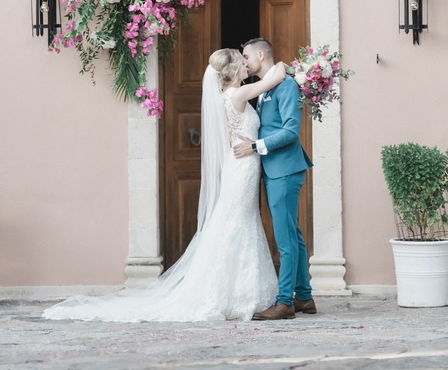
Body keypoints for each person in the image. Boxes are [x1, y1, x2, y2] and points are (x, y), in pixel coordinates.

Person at [41, 49, 286, 322]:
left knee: (239, 221)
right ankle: (234, 294)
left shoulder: (228, 96)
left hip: (241, 163)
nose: (246, 66)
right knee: (239, 222)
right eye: (242, 62)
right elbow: (274, 78)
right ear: (232, 71)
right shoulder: (238, 94)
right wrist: (284, 65)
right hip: (242, 166)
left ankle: (237, 291)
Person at [233, 37, 316, 320]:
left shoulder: (286, 86)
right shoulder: (267, 87)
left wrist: (255, 146)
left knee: (285, 239)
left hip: (285, 169)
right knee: (293, 234)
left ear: (260, 54)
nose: (244, 62)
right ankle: (304, 297)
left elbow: (291, 131)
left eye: (246, 56)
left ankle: (284, 303)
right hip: (274, 169)